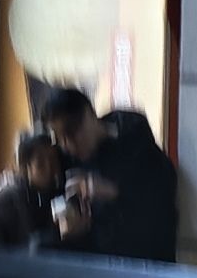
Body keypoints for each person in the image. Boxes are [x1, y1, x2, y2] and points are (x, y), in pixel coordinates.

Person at [39, 84, 180, 264]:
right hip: (98, 258)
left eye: (71, 132)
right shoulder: (69, 160)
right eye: (59, 138)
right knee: (39, 249)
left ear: (89, 115)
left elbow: (163, 193)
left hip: (145, 255)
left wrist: (114, 191)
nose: (67, 145)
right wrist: (69, 223)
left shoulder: (133, 137)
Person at [0, 127, 65, 252]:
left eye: (53, 160)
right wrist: (50, 239)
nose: (51, 169)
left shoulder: (43, 191)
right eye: (41, 164)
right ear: (24, 167)